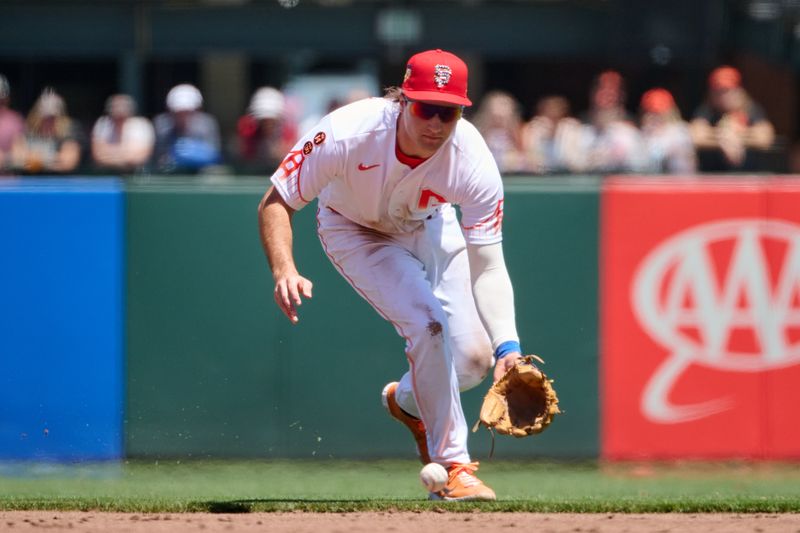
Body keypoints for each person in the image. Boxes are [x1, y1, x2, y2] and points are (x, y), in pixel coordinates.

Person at [258, 49, 527, 501]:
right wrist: (284, 268)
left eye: (449, 112)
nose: (436, 123)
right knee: (428, 324)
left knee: (475, 360)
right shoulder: (349, 131)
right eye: (426, 107)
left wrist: (509, 345)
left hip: (429, 222)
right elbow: (276, 200)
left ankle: (405, 402)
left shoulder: (471, 158)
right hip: (355, 229)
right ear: (402, 99)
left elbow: (489, 262)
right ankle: (454, 466)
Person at [689, 66, 775, 172]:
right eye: (718, 91)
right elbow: (696, 136)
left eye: (727, 91)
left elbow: (764, 138)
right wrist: (723, 136)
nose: (723, 96)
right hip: (713, 176)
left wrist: (736, 135)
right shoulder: (707, 110)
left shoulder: (751, 109)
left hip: (749, 178)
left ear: (739, 91)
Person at [572, 70, 647, 173]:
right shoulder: (579, 126)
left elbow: (642, 165)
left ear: (621, 95)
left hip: (622, 181)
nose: (608, 95)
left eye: (613, 89)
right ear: (593, 93)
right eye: (603, 88)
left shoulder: (631, 129)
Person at [10, 88, 82, 174]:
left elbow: (68, 163)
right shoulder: (27, 132)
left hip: (60, 182)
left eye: (52, 118)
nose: (49, 122)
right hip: (31, 181)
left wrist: (37, 160)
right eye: (45, 118)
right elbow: (16, 158)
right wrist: (52, 160)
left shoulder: (69, 133)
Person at [153, 84, 221, 174]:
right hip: (170, 175)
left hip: (202, 174)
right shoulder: (161, 125)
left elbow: (214, 153)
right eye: (178, 112)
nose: (182, 116)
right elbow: (158, 157)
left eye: (187, 112)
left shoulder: (207, 124)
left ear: (197, 110)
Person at [235, 87, 297, 174]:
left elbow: (292, 160)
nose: (267, 124)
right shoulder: (248, 131)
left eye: (271, 120)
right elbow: (244, 156)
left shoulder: (287, 132)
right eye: (264, 120)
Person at [638, 88, 697, 174]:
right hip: (648, 183)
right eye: (650, 113)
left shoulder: (680, 131)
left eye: (660, 114)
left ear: (671, 113)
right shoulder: (640, 135)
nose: (655, 118)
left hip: (680, 184)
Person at [520, 95, 583, 174]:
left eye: (556, 116)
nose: (551, 121)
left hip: (567, 176)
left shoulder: (572, 129)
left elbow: (573, 161)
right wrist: (539, 137)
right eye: (547, 115)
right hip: (541, 178)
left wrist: (560, 136)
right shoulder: (533, 129)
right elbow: (531, 161)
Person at [91, 94, 155, 173]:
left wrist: (112, 153)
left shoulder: (142, 124)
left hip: (137, 175)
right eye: (115, 107)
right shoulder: (102, 124)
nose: (119, 111)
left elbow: (141, 157)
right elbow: (98, 156)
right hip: (106, 175)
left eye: (123, 108)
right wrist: (127, 154)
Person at [471, 90, 526, 174]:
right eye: (495, 117)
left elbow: (530, 160)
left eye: (503, 118)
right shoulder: (475, 134)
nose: (499, 121)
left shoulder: (521, 133)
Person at [0, 74, 25, 175]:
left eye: (2, 99)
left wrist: (5, 158)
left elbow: (19, 157)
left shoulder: (15, 120)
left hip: (8, 184)